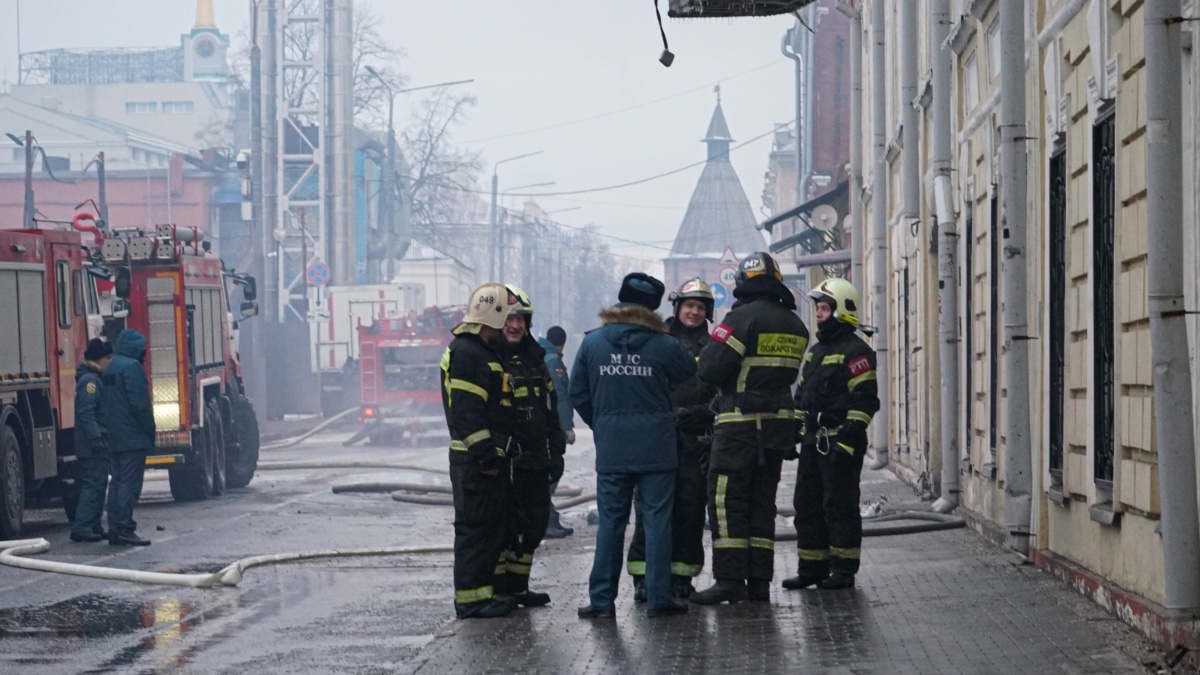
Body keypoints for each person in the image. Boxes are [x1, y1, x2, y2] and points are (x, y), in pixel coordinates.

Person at [570, 272, 697, 619]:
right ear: (653, 308)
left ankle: (601, 602)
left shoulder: (593, 343)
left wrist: (603, 423)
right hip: (657, 448)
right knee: (657, 523)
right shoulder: (665, 344)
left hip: (613, 449)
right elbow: (689, 374)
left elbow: (577, 392)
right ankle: (659, 599)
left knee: (611, 523)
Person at [691, 252, 809, 605]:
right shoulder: (795, 324)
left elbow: (710, 369)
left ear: (743, 282)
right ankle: (758, 582)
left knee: (726, 500)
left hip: (738, 427)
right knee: (761, 504)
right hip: (777, 429)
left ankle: (729, 579)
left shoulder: (741, 319)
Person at [785, 277, 879, 591]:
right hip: (814, 442)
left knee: (839, 507)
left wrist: (848, 442)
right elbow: (802, 398)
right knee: (806, 505)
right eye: (818, 309)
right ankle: (811, 568)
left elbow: (865, 401)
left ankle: (842, 570)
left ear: (841, 311)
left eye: (825, 308)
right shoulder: (815, 352)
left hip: (840, 442)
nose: (819, 314)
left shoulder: (856, 351)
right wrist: (793, 433)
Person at [627, 278, 716, 601]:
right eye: (689, 305)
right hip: (657, 437)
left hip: (696, 442)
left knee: (690, 511)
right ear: (677, 307)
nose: (694, 312)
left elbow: (723, 388)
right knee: (649, 510)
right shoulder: (656, 339)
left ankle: (681, 577)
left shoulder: (715, 346)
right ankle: (643, 577)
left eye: (701, 307)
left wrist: (707, 412)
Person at [440, 283, 521, 619]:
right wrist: (486, 453)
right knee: (475, 531)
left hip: (484, 460)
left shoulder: (480, 350)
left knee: (488, 529)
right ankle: (471, 601)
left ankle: (483, 595)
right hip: (475, 462)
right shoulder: (469, 353)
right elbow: (467, 413)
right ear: (495, 315)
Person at [494, 285, 567, 608]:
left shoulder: (535, 360)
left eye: (521, 319)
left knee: (534, 525)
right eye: (509, 319)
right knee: (504, 528)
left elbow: (550, 406)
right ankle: (500, 590)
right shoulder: (489, 357)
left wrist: (556, 449)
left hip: (536, 459)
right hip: (505, 462)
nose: (515, 325)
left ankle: (518, 587)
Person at [101, 329, 155, 546]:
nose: (144, 353)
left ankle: (114, 528)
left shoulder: (110, 367)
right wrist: (150, 431)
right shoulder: (131, 367)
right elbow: (140, 405)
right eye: (142, 348)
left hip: (114, 436)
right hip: (132, 437)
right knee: (129, 484)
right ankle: (125, 527)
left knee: (116, 482)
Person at [70, 338, 113, 543]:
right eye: (107, 357)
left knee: (99, 483)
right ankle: (82, 526)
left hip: (93, 443)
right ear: (99, 359)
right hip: (91, 445)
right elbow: (86, 412)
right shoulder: (90, 382)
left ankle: (94, 525)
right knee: (93, 485)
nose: (110, 361)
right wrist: (96, 437)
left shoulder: (94, 379)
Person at [538, 325, 575, 539]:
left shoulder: (540, 355)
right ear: (562, 344)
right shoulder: (553, 361)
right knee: (553, 469)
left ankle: (548, 519)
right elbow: (560, 395)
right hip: (552, 427)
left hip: (543, 425)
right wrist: (567, 427)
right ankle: (545, 521)